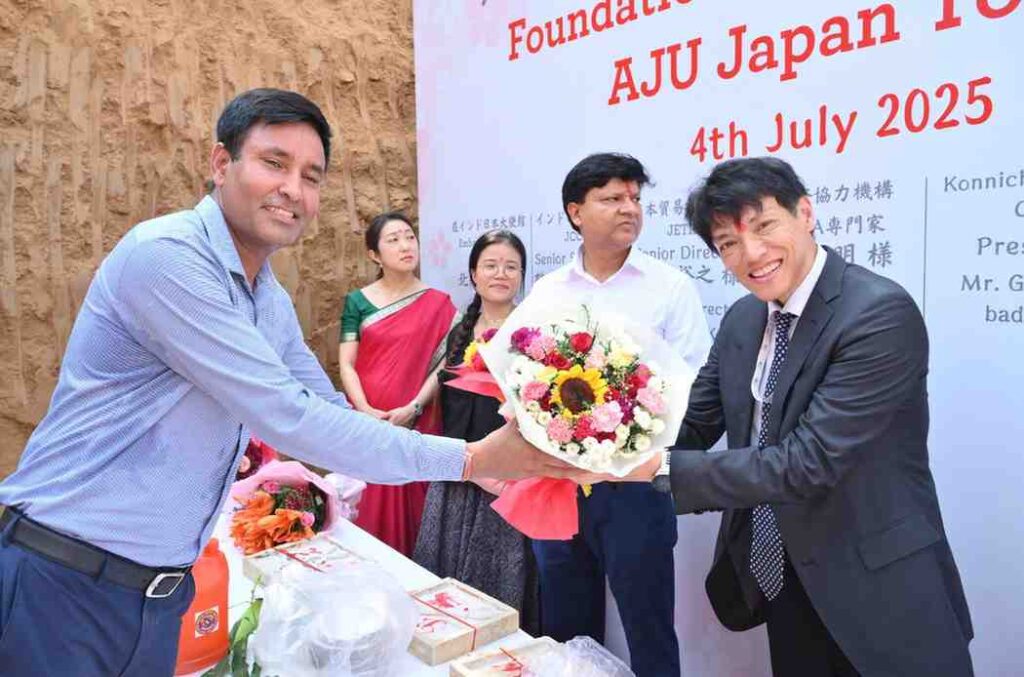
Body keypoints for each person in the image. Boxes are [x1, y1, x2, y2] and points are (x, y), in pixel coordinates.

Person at [0, 88, 580, 676]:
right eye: (273, 163)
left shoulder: (266, 295)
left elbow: (324, 405)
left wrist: (490, 459)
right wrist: (471, 459)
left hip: (156, 593)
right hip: (64, 578)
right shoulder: (168, 258)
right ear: (221, 163)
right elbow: (288, 417)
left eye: (311, 176)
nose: (293, 189)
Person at [643, 156, 973, 675]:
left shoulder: (876, 312)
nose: (752, 254)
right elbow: (694, 421)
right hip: (783, 576)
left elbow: (806, 462)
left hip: (879, 586)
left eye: (764, 226)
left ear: (805, 212)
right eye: (728, 243)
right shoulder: (743, 318)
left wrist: (657, 469)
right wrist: (592, 443)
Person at [527, 153, 711, 677]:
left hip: (637, 485)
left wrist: (632, 431)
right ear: (576, 212)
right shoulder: (548, 291)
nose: (629, 208)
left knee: (648, 630)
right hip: (559, 483)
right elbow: (526, 374)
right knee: (567, 632)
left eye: (634, 198)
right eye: (612, 198)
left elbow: (695, 382)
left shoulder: (670, 286)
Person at [413, 229, 541, 635]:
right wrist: (413, 408)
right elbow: (441, 381)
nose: (501, 274)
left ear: (522, 276)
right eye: (491, 265)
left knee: (499, 585)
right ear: (473, 274)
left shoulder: (532, 333)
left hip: (505, 478)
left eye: (511, 267)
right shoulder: (460, 329)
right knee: (445, 589)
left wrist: (495, 470)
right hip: (457, 468)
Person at [338, 212, 456, 556]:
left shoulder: (440, 303)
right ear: (374, 255)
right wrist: (365, 411)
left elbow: (443, 366)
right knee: (366, 501)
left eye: (409, 237)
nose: (406, 246)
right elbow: (346, 364)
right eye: (393, 240)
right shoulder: (358, 302)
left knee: (415, 504)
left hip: (417, 420)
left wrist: (415, 406)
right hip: (368, 423)